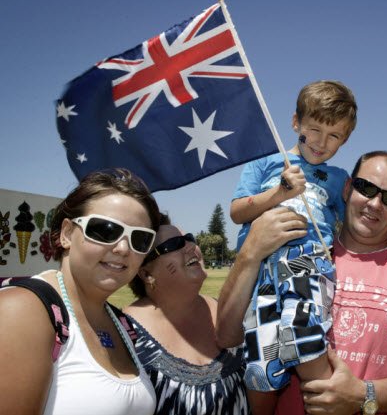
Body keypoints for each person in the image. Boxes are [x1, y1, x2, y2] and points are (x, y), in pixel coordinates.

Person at [218, 151, 387, 415]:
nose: (375, 203)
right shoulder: (293, 253)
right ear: (347, 188)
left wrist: (363, 395)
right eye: (366, 188)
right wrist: (249, 254)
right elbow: (226, 335)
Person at [229, 80, 357, 413]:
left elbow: (358, 222)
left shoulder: (339, 177)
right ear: (295, 123)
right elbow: (237, 211)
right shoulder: (265, 162)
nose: (321, 143)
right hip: (262, 273)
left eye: (335, 137)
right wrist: (279, 194)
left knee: (301, 335)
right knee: (261, 368)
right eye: (314, 130)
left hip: (308, 262)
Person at [0, 168, 160, 415]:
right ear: (66, 234)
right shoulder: (22, 310)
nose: (122, 248)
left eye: (140, 239)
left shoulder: (122, 325)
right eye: (106, 230)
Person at [124, 215, 249, 415]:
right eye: (175, 244)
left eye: (190, 238)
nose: (191, 247)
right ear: (147, 274)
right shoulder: (124, 334)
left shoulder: (228, 311)